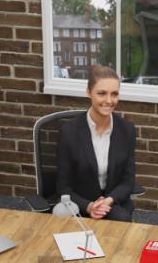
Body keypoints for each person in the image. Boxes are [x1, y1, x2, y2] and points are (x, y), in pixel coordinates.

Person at [55, 65, 137, 221]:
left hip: (113, 204)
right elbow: (63, 186)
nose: (109, 100)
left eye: (114, 94)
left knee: (120, 220)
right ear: (88, 92)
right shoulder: (69, 131)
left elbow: (128, 182)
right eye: (101, 93)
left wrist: (108, 201)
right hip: (79, 204)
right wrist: (89, 206)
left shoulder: (127, 130)